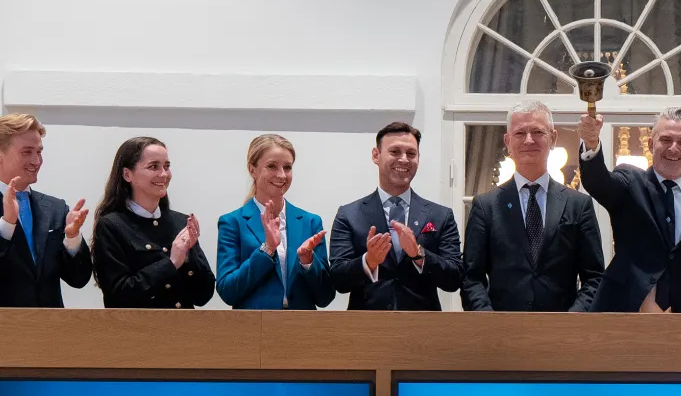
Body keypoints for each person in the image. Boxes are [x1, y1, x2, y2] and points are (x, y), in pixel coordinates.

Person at [577, 106, 681, 313]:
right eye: (666, 140)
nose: (673, 148)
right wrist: (590, 143)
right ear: (652, 144)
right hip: (622, 319)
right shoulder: (629, 182)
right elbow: (598, 181)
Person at [461, 101, 604, 312]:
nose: (529, 140)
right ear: (507, 142)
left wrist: (573, 320)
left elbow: (594, 277)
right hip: (502, 332)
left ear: (553, 138)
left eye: (538, 132)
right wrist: (488, 322)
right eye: (520, 133)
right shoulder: (486, 206)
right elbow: (471, 278)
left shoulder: (578, 205)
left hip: (563, 332)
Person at [330, 122, 463, 311]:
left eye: (411, 153)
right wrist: (369, 261)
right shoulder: (349, 214)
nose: (404, 159)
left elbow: (454, 279)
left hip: (423, 329)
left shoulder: (441, 215)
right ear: (376, 155)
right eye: (395, 152)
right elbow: (337, 280)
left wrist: (419, 253)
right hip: (366, 329)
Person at [91, 136, 215, 309]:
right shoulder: (112, 225)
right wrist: (170, 264)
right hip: (137, 332)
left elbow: (204, 295)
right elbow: (118, 295)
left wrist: (188, 257)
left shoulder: (180, 222)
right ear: (128, 174)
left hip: (184, 331)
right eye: (153, 167)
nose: (164, 174)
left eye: (167, 166)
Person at [215, 134, 335, 310]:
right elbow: (228, 291)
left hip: (301, 330)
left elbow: (325, 297)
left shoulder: (310, 222)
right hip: (254, 330)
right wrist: (267, 249)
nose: (281, 175)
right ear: (252, 170)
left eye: (287, 167)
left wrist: (308, 262)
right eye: (272, 166)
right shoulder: (232, 222)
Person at [0, 113, 91, 307]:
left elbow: (78, 279)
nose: (36, 161)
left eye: (39, 152)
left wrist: (72, 238)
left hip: (49, 331)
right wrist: (6, 225)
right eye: (27, 152)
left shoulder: (56, 209)